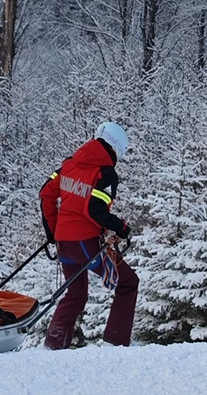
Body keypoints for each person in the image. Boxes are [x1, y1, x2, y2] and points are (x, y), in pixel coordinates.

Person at [38, 121, 140, 349]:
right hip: (85, 243)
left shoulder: (68, 165)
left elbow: (46, 194)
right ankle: (115, 342)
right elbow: (95, 210)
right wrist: (121, 227)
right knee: (128, 282)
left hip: (64, 244)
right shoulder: (106, 175)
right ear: (115, 149)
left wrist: (53, 232)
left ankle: (53, 346)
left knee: (75, 295)